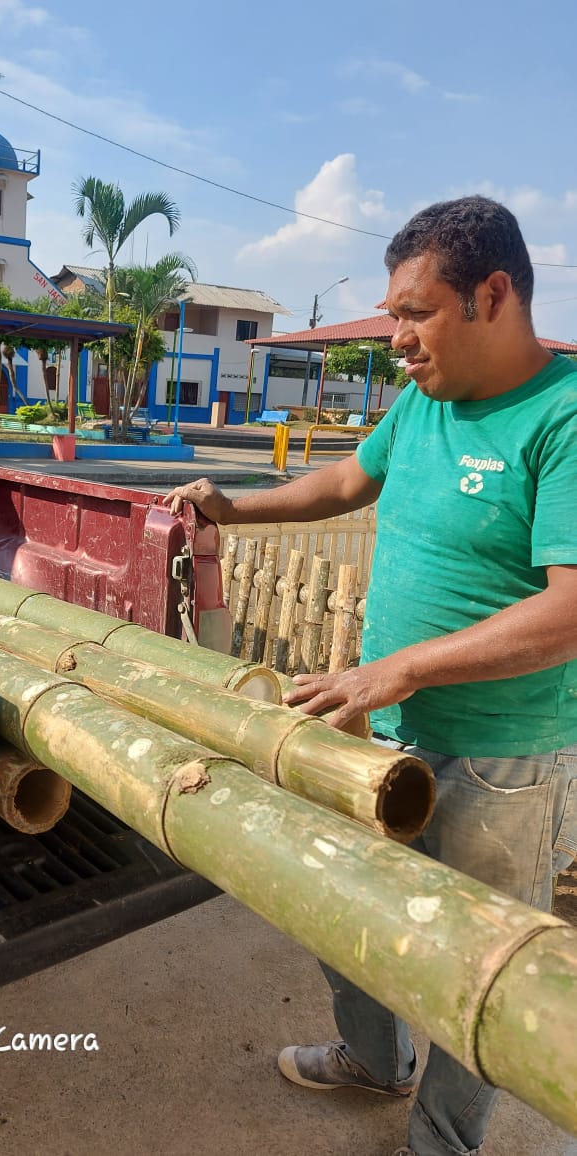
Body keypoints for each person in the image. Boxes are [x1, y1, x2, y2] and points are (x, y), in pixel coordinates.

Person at [164, 195, 577, 1156]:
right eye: (393, 315)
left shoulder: (562, 417)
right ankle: (373, 1059)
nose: (395, 339)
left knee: (478, 972)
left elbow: (569, 610)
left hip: (501, 762)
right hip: (381, 733)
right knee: (341, 904)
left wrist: (392, 671)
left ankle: (440, 1141)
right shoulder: (424, 401)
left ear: (492, 295)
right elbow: (347, 482)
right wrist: (234, 507)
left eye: (414, 313)